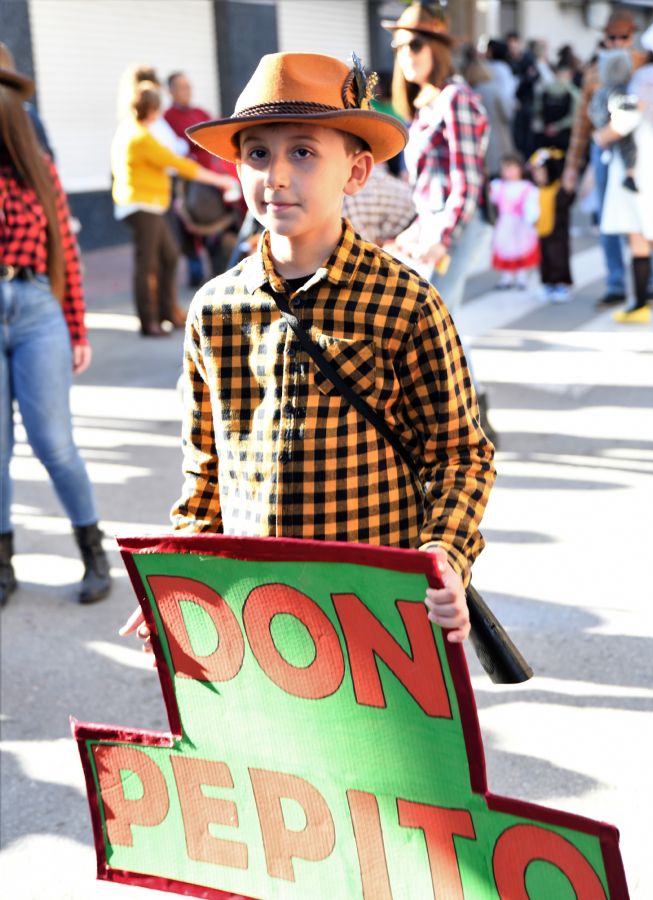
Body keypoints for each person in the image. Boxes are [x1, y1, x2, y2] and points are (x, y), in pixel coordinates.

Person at [120, 49, 497, 653]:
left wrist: (444, 555)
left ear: (356, 171)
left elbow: (461, 456)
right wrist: (182, 575)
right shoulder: (214, 310)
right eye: (257, 153)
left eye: (303, 151)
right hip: (258, 613)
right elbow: (205, 469)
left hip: (378, 610)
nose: (275, 175)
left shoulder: (406, 302)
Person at [0, 44, 111, 607]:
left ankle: (93, 551)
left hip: (37, 308)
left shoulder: (36, 168)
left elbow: (64, 250)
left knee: (54, 443)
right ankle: (3, 565)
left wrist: (78, 328)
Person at [382, 2, 498, 445]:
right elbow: (421, 190)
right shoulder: (423, 105)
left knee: (439, 322)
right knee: (436, 322)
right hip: (430, 224)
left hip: (457, 226)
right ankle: (468, 415)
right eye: (398, 46)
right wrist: (411, 233)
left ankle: (472, 419)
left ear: (437, 47)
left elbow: (467, 183)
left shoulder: (457, 99)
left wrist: (442, 239)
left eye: (415, 44)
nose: (406, 54)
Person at [110, 82, 236, 336]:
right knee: (147, 264)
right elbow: (178, 164)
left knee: (168, 257)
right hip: (141, 205)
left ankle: (166, 311)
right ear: (152, 109)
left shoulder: (132, 129)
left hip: (149, 205)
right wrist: (221, 180)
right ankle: (149, 322)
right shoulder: (140, 137)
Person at [563, 7, 653, 308]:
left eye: (623, 36)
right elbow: (582, 122)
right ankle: (617, 283)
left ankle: (649, 286)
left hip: (641, 151)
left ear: (633, 37)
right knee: (610, 219)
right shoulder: (594, 70)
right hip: (605, 150)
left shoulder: (645, 67)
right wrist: (572, 166)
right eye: (611, 37)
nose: (617, 42)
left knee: (646, 220)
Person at [594, 13, 653, 324]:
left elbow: (628, 117)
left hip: (642, 164)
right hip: (652, 161)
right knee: (648, 234)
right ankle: (638, 303)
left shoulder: (648, 77)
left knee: (644, 234)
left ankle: (638, 305)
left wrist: (603, 135)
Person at [164, 71, 244, 284]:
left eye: (188, 86)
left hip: (214, 179)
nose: (186, 91)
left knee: (218, 230)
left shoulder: (200, 113)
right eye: (181, 87)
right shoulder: (166, 118)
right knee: (188, 232)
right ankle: (195, 272)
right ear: (170, 91)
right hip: (188, 182)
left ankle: (221, 271)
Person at [588, 48, 639, 192]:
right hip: (612, 129)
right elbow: (622, 109)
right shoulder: (618, 90)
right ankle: (629, 175)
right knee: (628, 148)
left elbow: (591, 110)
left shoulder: (600, 90)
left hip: (601, 133)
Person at [528, 147, 575, 302]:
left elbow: (567, 200)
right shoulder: (537, 190)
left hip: (558, 233)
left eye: (541, 171)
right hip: (541, 231)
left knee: (558, 257)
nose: (537, 175)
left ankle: (561, 284)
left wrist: (568, 187)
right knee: (544, 259)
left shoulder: (557, 189)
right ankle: (548, 283)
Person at [462, 45, 516, 179]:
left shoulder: (467, 93)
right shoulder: (494, 90)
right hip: (499, 139)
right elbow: (508, 114)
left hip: (477, 144)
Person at [489, 152, 540, 290]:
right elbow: (490, 198)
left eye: (512, 168)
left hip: (521, 224)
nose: (509, 172)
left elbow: (532, 205)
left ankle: (521, 277)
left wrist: (532, 219)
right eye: (505, 168)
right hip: (505, 223)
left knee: (520, 250)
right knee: (506, 250)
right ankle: (506, 277)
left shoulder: (527, 188)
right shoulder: (498, 186)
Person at [532, 61, 580, 152]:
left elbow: (537, 111)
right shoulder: (574, 93)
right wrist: (556, 127)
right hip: (559, 137)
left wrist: (553, 127)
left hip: (553, 135)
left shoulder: (545, 90)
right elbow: (575, 116)